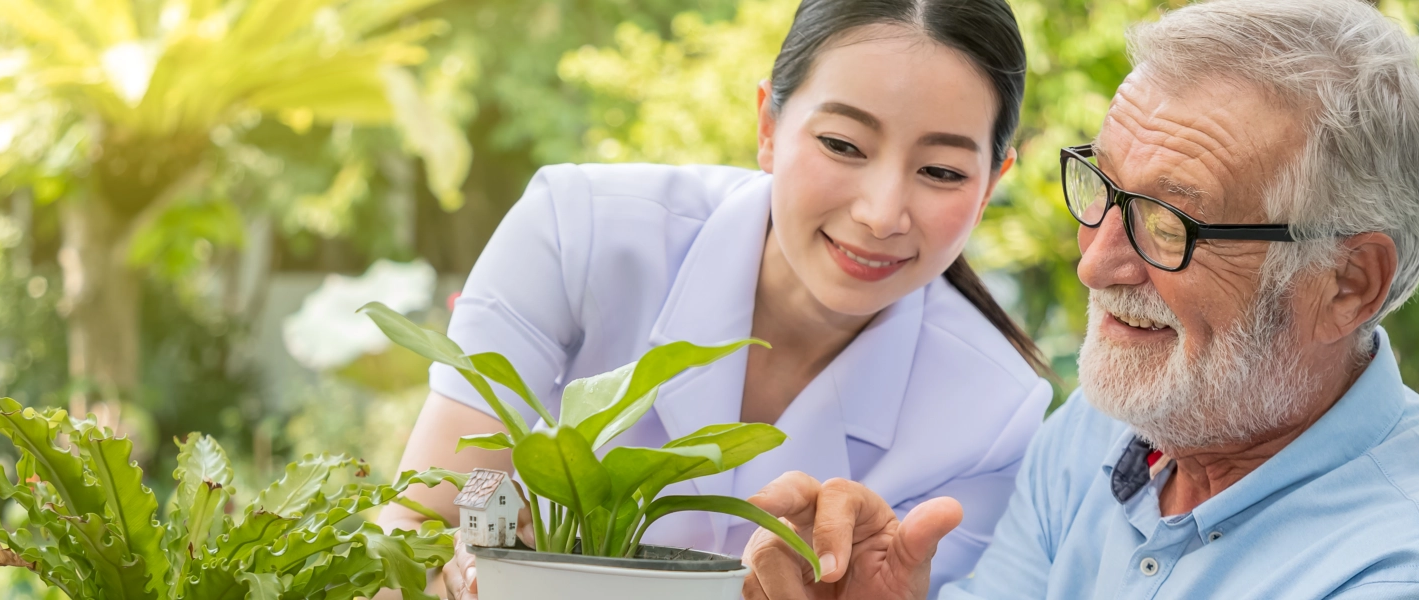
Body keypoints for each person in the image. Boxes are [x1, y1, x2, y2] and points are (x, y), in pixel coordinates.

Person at [738, 0, 1419, 598]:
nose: (1097, 264)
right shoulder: (1100, 436)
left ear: (1348, 283)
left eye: (1169, 224)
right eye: (1102, 189)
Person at [372, 0, 1055, 597]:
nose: (882, 213)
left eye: (940, 171)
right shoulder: (576, 231)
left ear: (992, 183)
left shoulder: (994, 415)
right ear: (768, 126)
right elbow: (416, 530)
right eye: (843, 144)